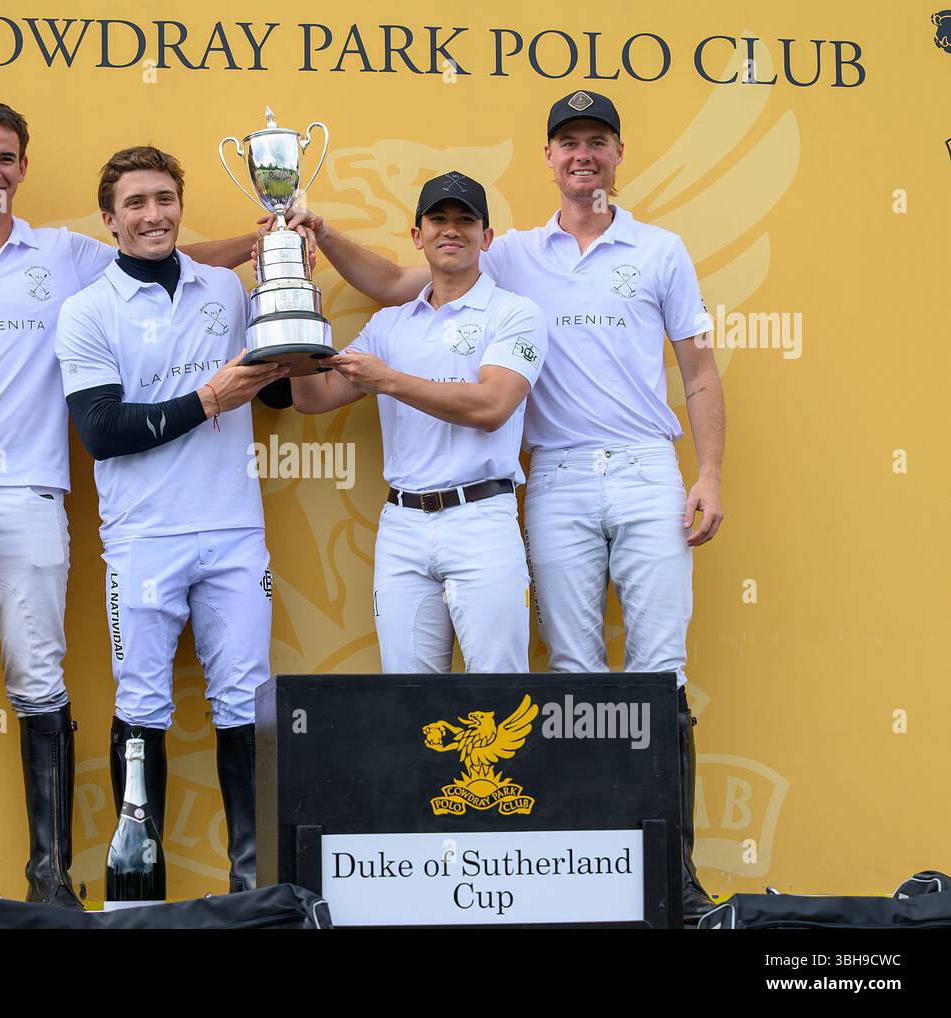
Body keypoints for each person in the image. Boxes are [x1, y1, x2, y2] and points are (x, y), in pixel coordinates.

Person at [294, 91, 725, 921]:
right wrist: (310, 244)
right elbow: (389, 279)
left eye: (596, 141)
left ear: (617, 154)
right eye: (568, 142)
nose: (582, 155)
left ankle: (673, 873)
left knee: (660, 675)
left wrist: (708, 474)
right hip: (555, 477)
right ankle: (590, 864)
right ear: (549, 158)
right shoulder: (514, 255)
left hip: (644, 470)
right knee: (570, 677)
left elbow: (699, 370)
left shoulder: (663, 251)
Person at [0, 103, 261, 911]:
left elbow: (160, 256)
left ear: (24, 167)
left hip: (34, 495)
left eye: (6, 158)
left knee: (40, 684)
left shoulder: (70, 256)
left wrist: (266, 247)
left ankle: (49, 883)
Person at [54, 146, 289, 892]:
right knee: (142, 710)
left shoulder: (224, 288)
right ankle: (137, 893)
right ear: (109, 220)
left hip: (232, 533)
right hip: (142, 538)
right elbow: (102, 430)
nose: (152, 215)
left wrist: (288, 278)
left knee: (247, 702)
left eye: (164, 200)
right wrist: (209, 401)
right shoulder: (88, 309)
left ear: (180, 207)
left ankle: (254, 886)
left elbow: (278, 394)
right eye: (135, 204)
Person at [291, 173, 546, 673]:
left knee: (498, 694)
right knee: (408, 702)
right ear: (417, 236)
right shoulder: (389, 324)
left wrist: (389, 380)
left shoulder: (515, 313)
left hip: (482, 519)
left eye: (465, 221)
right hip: (403, 525)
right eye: (438, 220)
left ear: (486, 238)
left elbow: (491, 407)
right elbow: (315, 398)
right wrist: (296, 309)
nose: (451, 230)